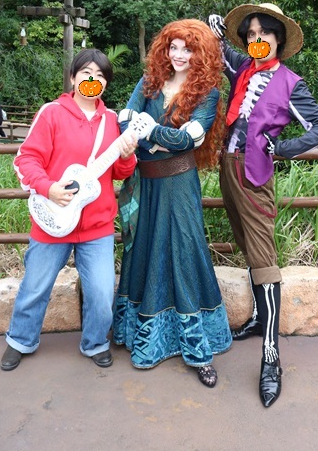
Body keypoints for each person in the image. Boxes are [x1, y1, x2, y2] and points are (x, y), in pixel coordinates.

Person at [209, 4, 318, 407]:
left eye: (264, 32)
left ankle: (271, 357)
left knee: (264, 259)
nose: (256, 39)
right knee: (248, 247)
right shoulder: (242, 67)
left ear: (278, 39)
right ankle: (259, 318)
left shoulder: (290, 84)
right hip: (227, 167)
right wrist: (215, 28)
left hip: (255, 175)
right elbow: (219, 49)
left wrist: (281, 148)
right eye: (251, 33)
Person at [0, 48, 138, 371]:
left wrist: (127, 154)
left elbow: (119, 173)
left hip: (96, 227)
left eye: (100, 75)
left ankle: (95, 342)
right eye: (86, 73)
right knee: (35, 287)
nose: (93, 79)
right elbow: (26, 159)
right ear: (74, 78)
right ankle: (20, 340)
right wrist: (48, 187)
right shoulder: (52, 113)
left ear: (106, 83)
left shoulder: (112, 121)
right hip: (52, 220)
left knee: (102, 292)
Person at [113, 19, 232, 388]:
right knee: (143, 249)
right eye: (173, 47)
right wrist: (155, 136)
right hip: (145, 184)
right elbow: (124, 119)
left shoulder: (208, 93)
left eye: (188, 48)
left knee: (183, 251)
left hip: (179, 186)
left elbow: (188, 141)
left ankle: (198, 351)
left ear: (201, 53)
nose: (179, 55)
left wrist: (148, 132)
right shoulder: (149, 81)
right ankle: (140, 335)